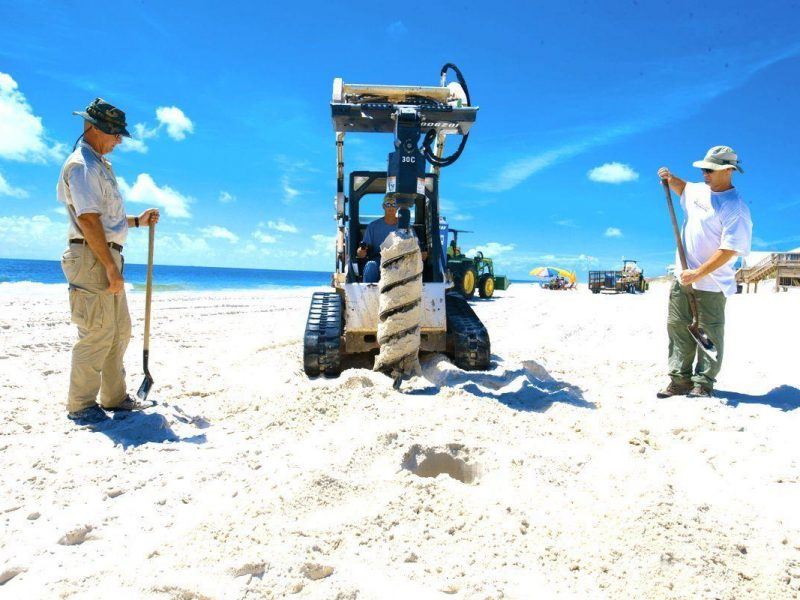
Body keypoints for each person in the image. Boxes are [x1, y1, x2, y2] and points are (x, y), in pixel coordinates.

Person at [57, 98, 161, 424]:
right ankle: (81, 405)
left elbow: (105, 221)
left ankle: (115, 397)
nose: (118, 141)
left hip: (102, 253)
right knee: (97, 333)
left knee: (119, 330)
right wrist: (110, 267)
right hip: (92, 257)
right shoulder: (83, 165)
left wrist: (137, 222)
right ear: (94, 127)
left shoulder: (99, 164)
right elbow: (88, 222)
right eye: (115, 134)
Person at [656, 145, 752, 399]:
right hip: (683, 278)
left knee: (708, 332)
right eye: (704, 169)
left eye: (710, 169)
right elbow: (683, 188)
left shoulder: (735, 207)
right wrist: (670, 178)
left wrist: (698, 273)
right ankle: (679, 380)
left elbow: (730, 249)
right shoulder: (698, 190)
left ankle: (703, 383)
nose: (705, 173)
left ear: (728, 171)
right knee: (677, 327)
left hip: (711, 284)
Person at [356, 195, 426, 283]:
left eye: (394, 204)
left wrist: (422, 254)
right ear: (383, 206)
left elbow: (417, 248)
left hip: (400, 261)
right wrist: (361, 252)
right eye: (388, 204)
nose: (391, 207)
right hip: (379, 260)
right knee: (371, 266)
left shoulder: (407, 227)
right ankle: (367, 295)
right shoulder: (373, 226)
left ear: (397, 207)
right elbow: (363, 250)